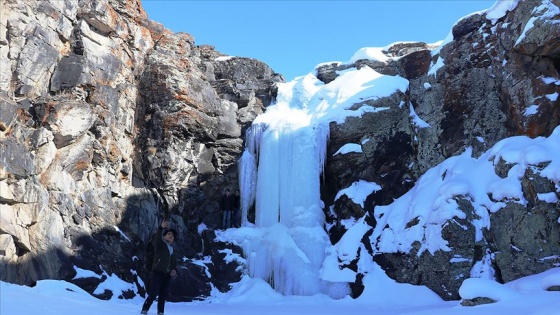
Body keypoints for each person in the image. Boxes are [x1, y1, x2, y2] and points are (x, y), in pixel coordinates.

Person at [141, 219, 178, 315]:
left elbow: (174, 264)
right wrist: (161, 227)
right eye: (169, 234)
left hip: (167, 275)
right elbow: (157, 237)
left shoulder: (172, 250)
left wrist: (174, 270)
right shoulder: (160, 244)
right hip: (157, 272)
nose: (171, 236)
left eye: (172, 236)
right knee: (153, 293)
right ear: (164, 236)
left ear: (173, 240)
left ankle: (160, 312)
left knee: (163, 295)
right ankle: (144, 309)